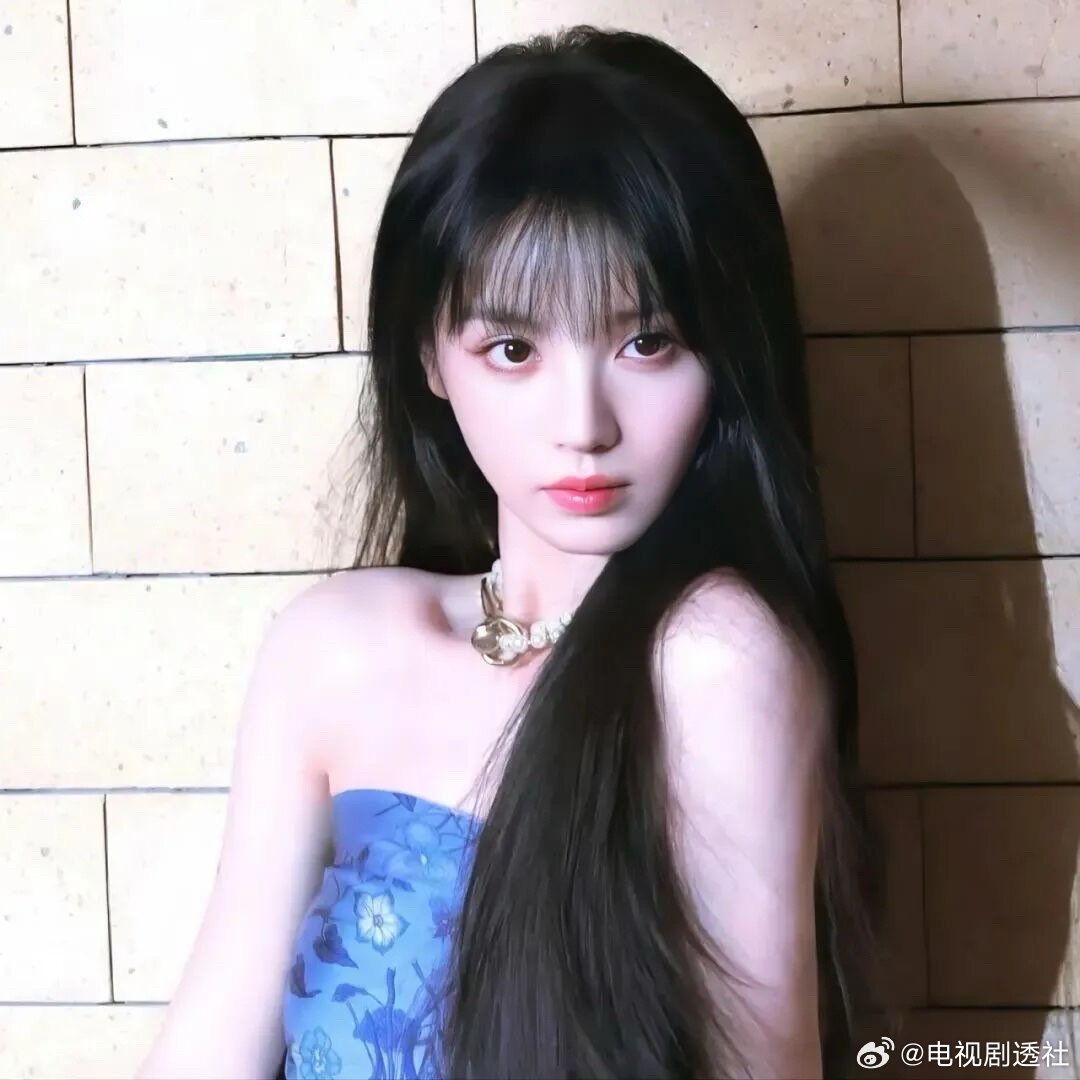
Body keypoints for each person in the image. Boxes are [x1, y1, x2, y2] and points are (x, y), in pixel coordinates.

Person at [137, 24, 893, 1080]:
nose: (583, 424)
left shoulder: (715, 662)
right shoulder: (332, 649)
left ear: (727, 349)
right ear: (429, 358)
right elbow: (206, 1049)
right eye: (512, 349)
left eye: (647, 342)